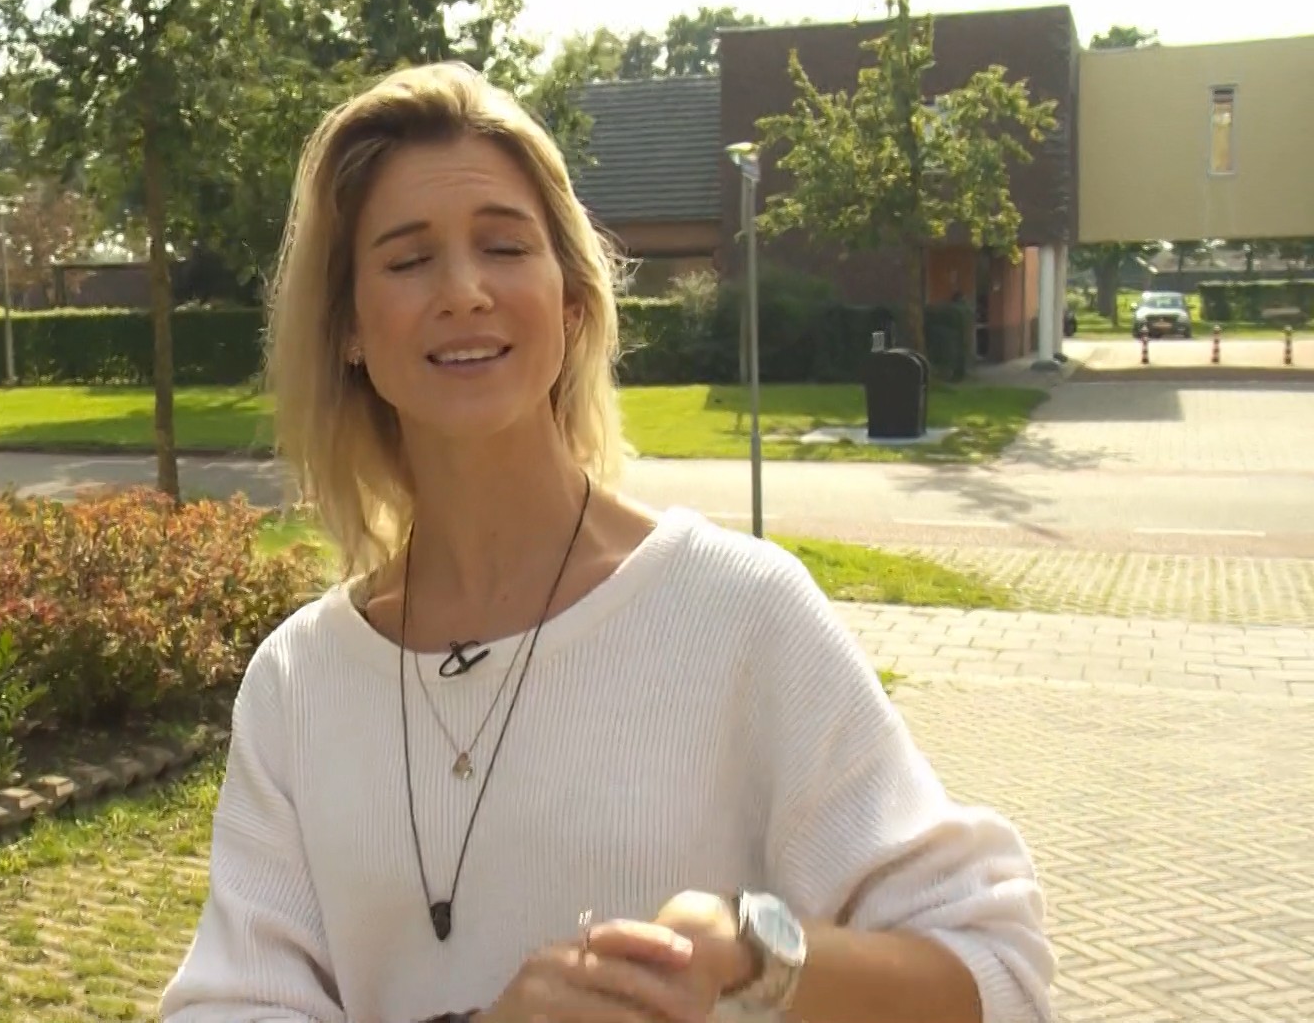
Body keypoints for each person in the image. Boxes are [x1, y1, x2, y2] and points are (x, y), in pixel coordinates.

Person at [157, 61, 1054, 1023]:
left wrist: (752, 955)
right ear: (348, 330)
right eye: (409, 261)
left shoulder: (738, 614)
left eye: (504, 246)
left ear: (573, 301)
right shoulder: (300, 682)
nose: (464, 291)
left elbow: (996, 976)